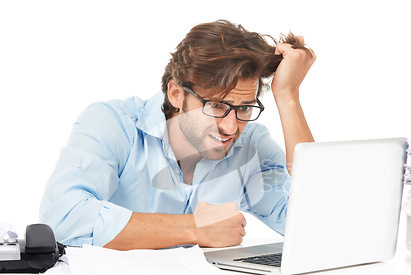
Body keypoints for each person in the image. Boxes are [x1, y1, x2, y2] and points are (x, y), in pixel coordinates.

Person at [40, 20, 315, 250]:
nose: (231, 128)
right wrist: (194, 228)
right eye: (217, 105)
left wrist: (288, 97)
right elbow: (63, 218)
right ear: (176, 94)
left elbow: (316, 226)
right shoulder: (112, 124)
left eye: (244, 108)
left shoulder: (252, 144)